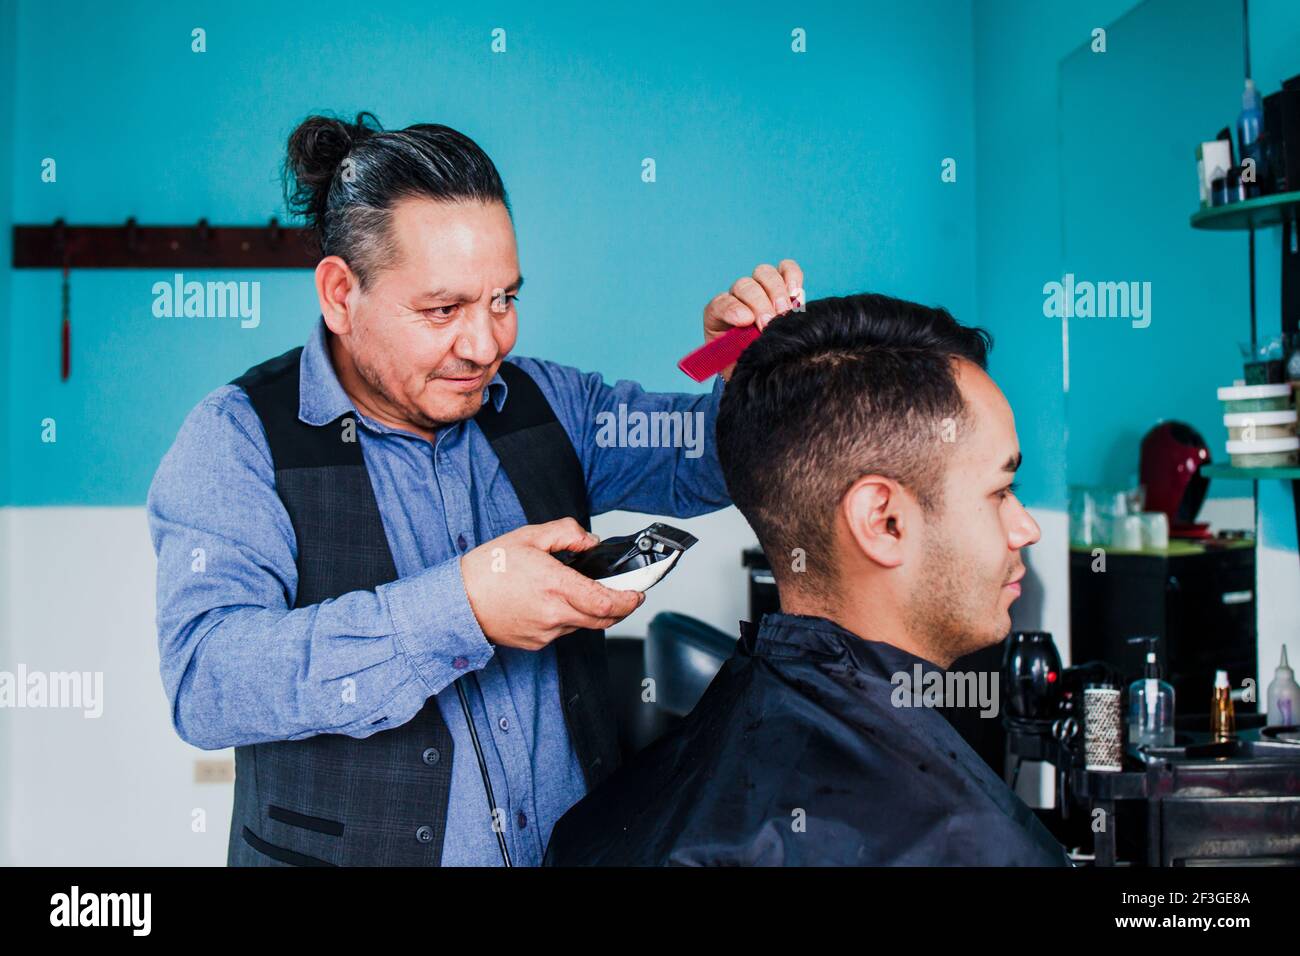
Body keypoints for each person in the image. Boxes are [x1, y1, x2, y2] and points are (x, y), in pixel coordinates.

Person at [147, 110, 803, 866]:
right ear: (339, 294)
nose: (486, 343)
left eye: (504, 300)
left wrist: (747, 372)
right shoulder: (237, 441)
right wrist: (461, 608)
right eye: (442, 309)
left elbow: (709, 461)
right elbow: (208, 683)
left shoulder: (551, 406)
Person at [544, 292, 1072, 866]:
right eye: (1000, 491)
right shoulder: (968, 843)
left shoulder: (599, 821)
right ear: (884, 521)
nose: (1026, 528)